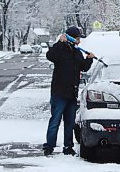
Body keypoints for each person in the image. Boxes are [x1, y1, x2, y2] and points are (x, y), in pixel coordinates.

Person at [43, 26, 95, 156]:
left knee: (70, 122)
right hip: (59, 93)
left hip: (72, 93)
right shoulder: (60, 49)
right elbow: (50, 56)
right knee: (55, 120)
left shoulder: (77, 52)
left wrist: (89, 59)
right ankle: (49, 146)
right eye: (77, 38)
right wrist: (59, 43)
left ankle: (68, 146)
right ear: (71, 37)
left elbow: (83, 67)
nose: (79, 41)